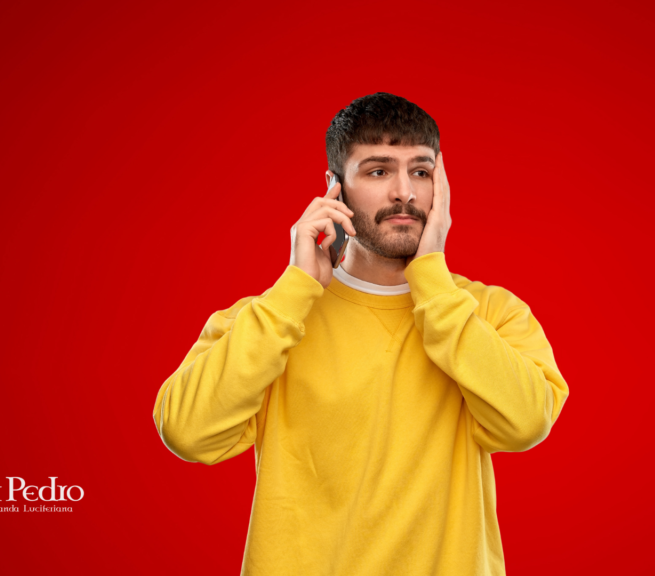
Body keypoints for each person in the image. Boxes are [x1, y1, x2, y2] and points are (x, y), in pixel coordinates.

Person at [152, 92, 569, 575]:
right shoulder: (273, 319)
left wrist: (432, 280)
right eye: (377, 171)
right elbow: (187, 433)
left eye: (420, 171)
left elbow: (527, 423)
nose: (404, 193)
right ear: (335, 189)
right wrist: (296, 290)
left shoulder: (491, 313)